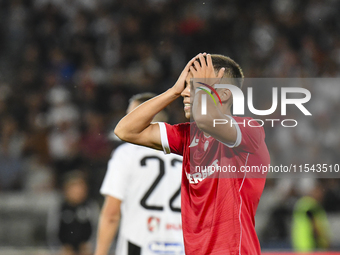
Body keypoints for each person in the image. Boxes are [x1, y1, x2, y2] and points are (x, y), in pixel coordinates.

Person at [114, 53, 270, 254]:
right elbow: (125, 130)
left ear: (224, 94)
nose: (186, 93)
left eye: (195, 86)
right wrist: (172, 91)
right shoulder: (188, 137)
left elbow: (206, 119)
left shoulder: (249, 129)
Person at [94, 93, 184, 255]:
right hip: (181, 246)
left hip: (140, 244)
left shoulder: (126, 153)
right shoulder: (187, 154)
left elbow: (111, 214)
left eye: (129, 115)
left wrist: (100, 252)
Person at [47, 170, 99, 255]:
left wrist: (91, 246)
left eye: (81, 187)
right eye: (74, 187)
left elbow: (97, 230)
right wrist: (59, 248)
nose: (78, 191)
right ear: (66, 189)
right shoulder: (59, 208)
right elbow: (52, 233)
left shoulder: (91, 206)